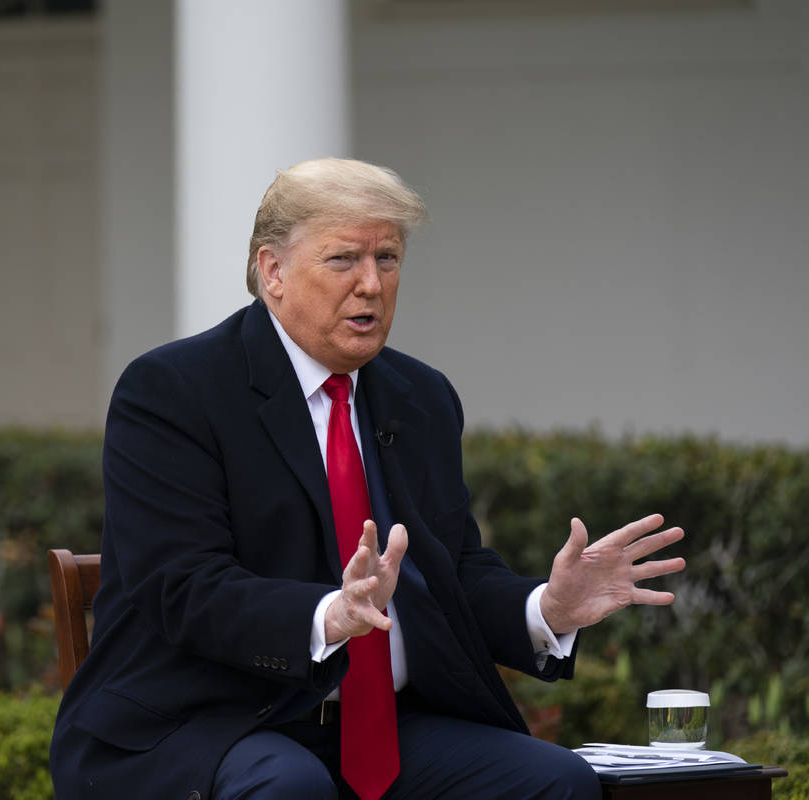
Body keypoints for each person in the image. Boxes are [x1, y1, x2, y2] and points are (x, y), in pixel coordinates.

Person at [49, 157, 686, 800]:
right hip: (209, 723)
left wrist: (546, 608)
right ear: (272, 270)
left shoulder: (421, 396)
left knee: (556, 783)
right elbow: (182, 586)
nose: (372, 285)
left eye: (387, 259)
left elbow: (453, 570)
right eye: (343, 260)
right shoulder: (173, 390)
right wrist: (330, 614)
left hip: (381, 729)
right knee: (290, 788)